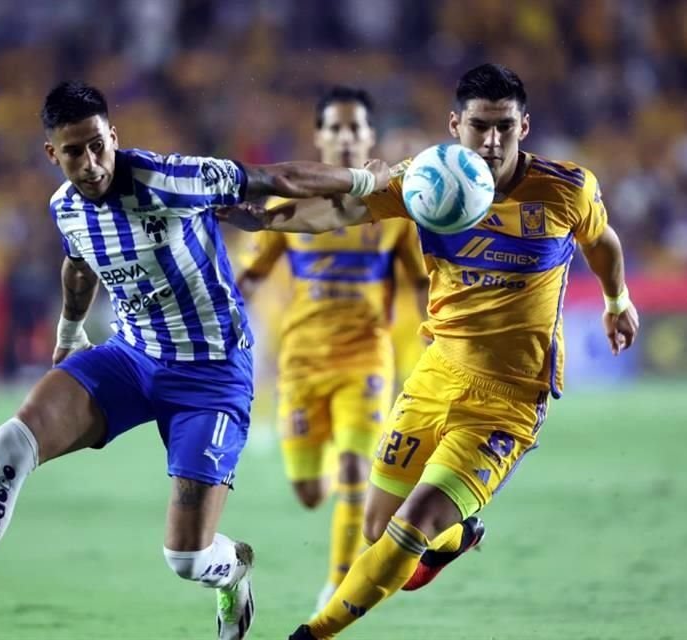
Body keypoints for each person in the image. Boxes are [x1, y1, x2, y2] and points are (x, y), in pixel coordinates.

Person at [0, 80, 390, 640]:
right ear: (53, 153)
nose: (91, 162)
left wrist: (366, 178)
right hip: (131, 357)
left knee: (185, 559)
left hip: (212, 373)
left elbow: (276, 178)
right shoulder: (65, 208)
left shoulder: (173, 178)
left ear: (113, 135)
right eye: (74, 151)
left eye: (98, 144)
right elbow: (79, 262)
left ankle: (233, 570)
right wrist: (69, 330)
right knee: (12, 441)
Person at [221, 63, 640, 639]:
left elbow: (603, 242)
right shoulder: (425, 180)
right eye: (479, 127)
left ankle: (310, 634)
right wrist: (265, 220)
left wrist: (617, 299)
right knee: (379, 525)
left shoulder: (568, 189)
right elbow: (338, 212)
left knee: (411, 525)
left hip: (511, 400)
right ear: (454, 124)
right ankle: (458, 536)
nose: (492, 143)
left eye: (505, 128)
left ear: (525, 126)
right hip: (436, 372)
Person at [236, 86, 427, 612]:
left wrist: (436, 325)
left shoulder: (393, 210)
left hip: (366, 356)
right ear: (320, 137)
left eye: (356, 128)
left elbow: (419, 283)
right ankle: (311, 477)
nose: (346, 137)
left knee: (353, 470)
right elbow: (251, 277)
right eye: (335, 129)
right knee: (308, 490)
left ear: (370, 136)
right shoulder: (289, 204)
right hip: (302, 362)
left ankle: (338, 582)